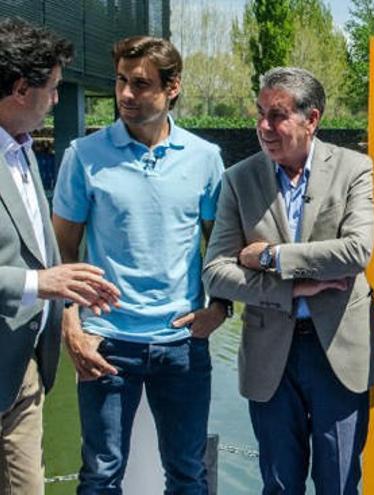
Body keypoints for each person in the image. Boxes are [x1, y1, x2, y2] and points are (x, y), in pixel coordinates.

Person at [202, 66, 374, 495]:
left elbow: (356, 251)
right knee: (279, 484)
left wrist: (271, 257)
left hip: (340, 351)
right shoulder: (238, 179)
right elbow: (215, 272)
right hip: (271, 352)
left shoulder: (354, 168)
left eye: (277, 115)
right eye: (260, 113)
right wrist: (290, 288)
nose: (263, 127)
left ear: (312, 119)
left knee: (340, 482)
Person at [51, 36, 229, 493]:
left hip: (183, 343)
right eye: (121, 82)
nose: (126, 95)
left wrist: (220, 308)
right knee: (100, 476)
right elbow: (61, 252)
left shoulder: (205, 159)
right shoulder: (83, 157)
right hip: (106, 344)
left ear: (172, 88)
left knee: (189, 475)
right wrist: (72, 327)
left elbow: (221, 248)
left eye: (141, 84)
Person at [0, 17, 119, 494]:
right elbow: (35, 274)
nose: (55, 100)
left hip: (24, 373)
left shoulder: (24, 150)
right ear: (20, 88)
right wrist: (39, 284)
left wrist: (68, 295)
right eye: (51, 89)